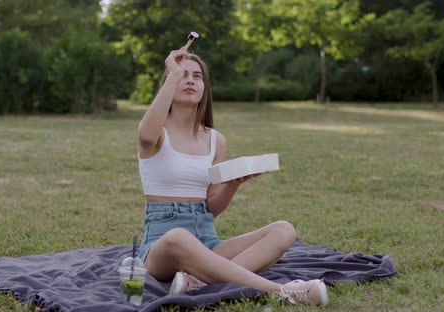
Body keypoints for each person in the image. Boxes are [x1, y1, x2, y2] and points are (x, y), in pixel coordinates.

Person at [136, 49, 328, 306]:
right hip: (162, 244)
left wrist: (232, 186)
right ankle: (283, 291)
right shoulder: (157, 133)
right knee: (178, 237)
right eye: (183, 75)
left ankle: (199, 282)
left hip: (206, 240)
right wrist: (173, 73)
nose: (190, 80)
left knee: (284, 230)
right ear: (170, 80)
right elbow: (145, 136)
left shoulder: (216, 140)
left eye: (197, 76)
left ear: (205, 87)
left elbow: (211, 208)